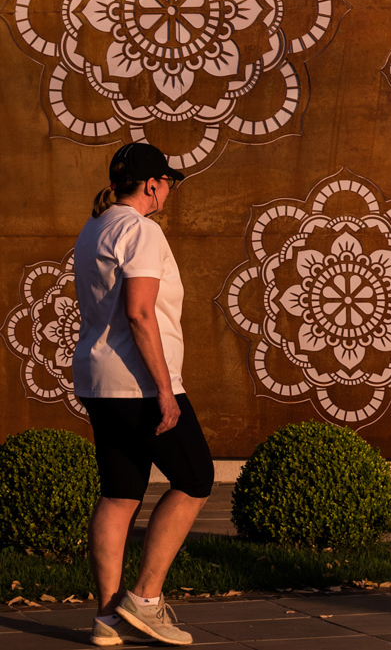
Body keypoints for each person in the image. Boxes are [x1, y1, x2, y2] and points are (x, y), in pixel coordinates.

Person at [73, 143, 212, 646]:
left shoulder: (94, 229)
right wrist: (164, 391)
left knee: (120, 492)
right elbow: (139, 312)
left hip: (98, 380)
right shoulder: (141, 230)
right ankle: (146, 600)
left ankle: (107, 617)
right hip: (139, 384)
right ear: (152, 184)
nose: (169, 189)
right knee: (196, 477)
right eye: (168, 181)